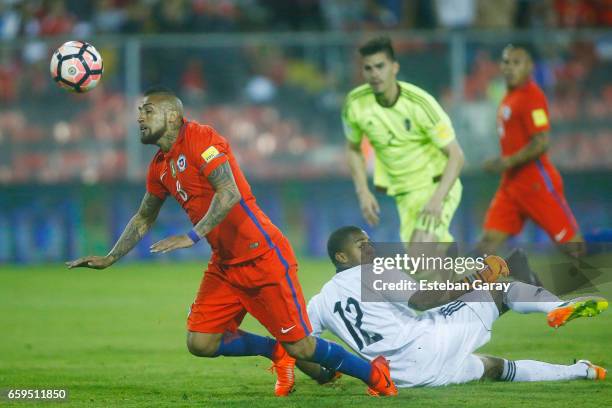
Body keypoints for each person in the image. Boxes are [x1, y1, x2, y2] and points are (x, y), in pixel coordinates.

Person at [66, 87, 397, 397]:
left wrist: (192, 235)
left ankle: (375, 374)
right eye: (139, 111)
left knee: (303, 347)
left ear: (171, 116)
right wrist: (110, 257)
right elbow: (143, 217)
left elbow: (229, 193)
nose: (139, 117)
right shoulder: (160, 168)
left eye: (147, 110)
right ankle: (275, 350)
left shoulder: (200, 138)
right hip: (225, 264)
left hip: (263, 256)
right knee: (201, 342)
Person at [297, 226, 607, 387]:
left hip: (404, 378)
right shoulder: (373, 271)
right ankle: (559, 306)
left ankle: (581, 372)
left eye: (370, 241)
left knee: (494, 368)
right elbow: (422, 300)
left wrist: (321, 376)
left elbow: (298, 345)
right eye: (361, 244)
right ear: (341, 257)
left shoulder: (321, 300)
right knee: (499, 289)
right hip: (428, 346)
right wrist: (478, 276)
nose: (371, 247)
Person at [343, 36, 464, 243]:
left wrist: (437, 199)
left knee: (423, 256)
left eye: (380, 66)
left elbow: (456, 155)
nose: (375, 74)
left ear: (394, 67)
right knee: (429, 270)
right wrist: (363, 192)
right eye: (368, 68)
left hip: (436, 185)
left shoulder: (420, 103)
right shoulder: (354, 104)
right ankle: (496, 272)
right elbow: (353, 149)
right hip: (404, 196)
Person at [480, 44, 584, 257]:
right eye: (506, 62)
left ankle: (599, 285)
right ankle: (473, 288)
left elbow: (541, 142)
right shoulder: (509, 96)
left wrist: (507, 162)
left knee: (573, 247)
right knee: (489, 241)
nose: (510, 68)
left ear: (529, 67)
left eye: (517, 63)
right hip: (511, 184)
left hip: (536, 183)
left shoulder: (532, 97)